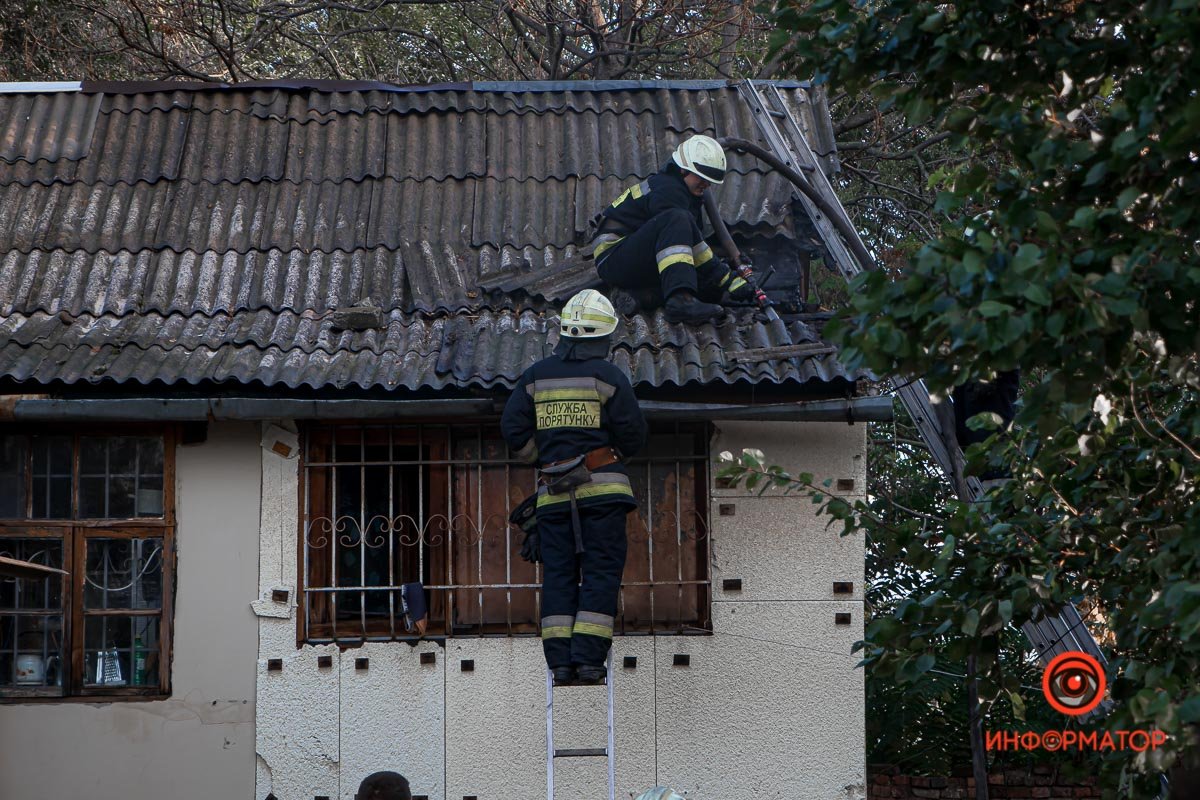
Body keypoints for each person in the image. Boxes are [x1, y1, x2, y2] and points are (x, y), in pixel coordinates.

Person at [501, 289, 648, 684]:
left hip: (554, 497)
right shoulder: (609, 376)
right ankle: (587, 661)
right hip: (603, 496)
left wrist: (545, 461)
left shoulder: (534, 378)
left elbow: (512, 429)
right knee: (600, 572)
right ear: (600, 338)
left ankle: (561, 664)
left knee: (559, 576)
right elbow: (634, 434)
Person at [591, 134, 756, 324]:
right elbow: (690, 245)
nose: (706, 184)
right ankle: (680, 301)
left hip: (631, 258)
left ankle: (640, 297)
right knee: (677, 220)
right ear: (683, 169)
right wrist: (726, 278)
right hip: (613, 255)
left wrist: (727, 275)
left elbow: (692, 247)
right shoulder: (668, 190)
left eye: (709, 180)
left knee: (706, 287)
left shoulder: (686, 195)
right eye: (701, 177)